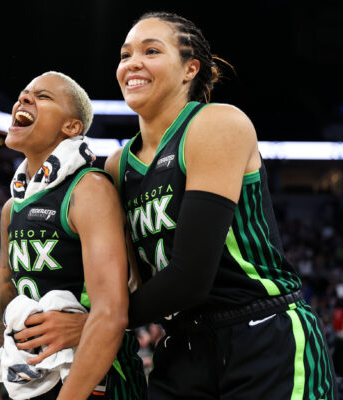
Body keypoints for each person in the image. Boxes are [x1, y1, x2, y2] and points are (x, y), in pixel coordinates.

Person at [101, 11, 337, 399]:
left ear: (189, 69)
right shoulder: (117, 165)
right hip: (180, 344)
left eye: (151, 50)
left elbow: (190, 278)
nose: (132, 63)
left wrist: (101, 321)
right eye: (125, 55)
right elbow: (128, 281)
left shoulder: (216, 124)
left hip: (262, 333)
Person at [0, 71, 145, 400]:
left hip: (95, 376)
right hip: (28, 373)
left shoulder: (88, 189)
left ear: (72, 127)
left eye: (43, 96)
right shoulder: (12, 208)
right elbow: (2, 304)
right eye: (23, 92)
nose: (23, 98)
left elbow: (111, 311)